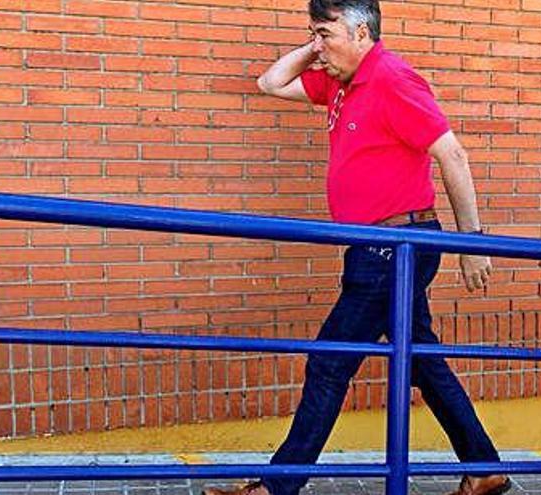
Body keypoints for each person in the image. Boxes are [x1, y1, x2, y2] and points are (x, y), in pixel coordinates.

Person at [202, 1, 510, 495]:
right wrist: (319, 47)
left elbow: (451, 152)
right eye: (312, 34)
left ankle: (277, 487)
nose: (317, 46)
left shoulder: (392, 78)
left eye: (326, 33)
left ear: (361, 31)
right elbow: (271, 82)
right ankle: (485, 467)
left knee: (329, 361)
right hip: (377, 245)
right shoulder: (341, 84)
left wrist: (471, 243)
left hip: (395, 246)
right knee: (421, 358)